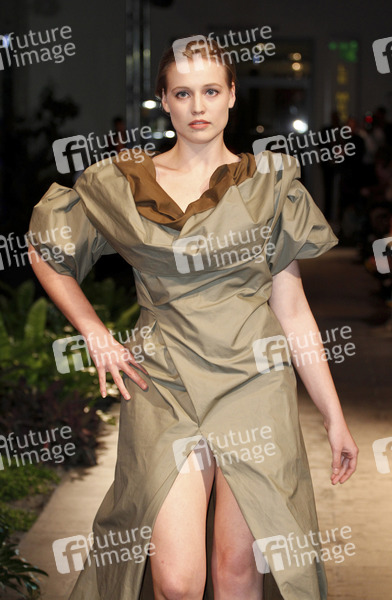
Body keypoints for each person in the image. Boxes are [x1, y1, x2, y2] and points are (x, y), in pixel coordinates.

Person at [27, 38, 358, 600]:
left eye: (210, 91)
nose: (198, 106)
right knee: (177, 582)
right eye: (183, 93)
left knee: (236, 573)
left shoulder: (269, 184)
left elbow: (292, 306)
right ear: (164, 100)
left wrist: (333, 415)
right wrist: (97, 334)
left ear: (231, 96)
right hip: (163, 382)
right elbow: (45, 250)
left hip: (253, 383)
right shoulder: (122, 184)